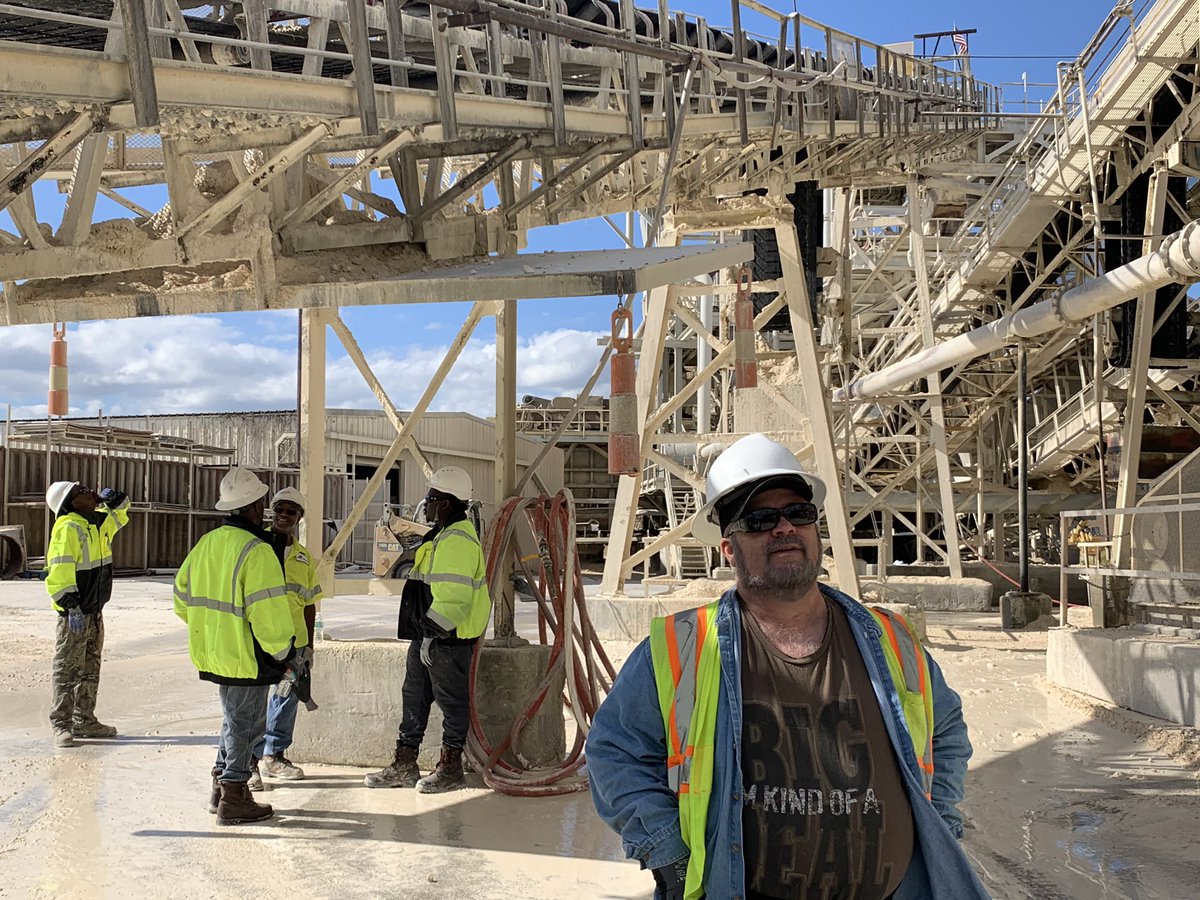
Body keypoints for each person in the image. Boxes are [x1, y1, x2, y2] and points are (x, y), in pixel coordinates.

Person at [586, 433, 990, 900]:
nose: (783, 528)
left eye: (798, 514)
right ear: (729, 549)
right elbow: (614, 752)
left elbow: (947, 731)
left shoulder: (889, 638)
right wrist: (670, 854)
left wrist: (938, 818)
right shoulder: (683, 646)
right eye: (759, 520)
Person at [174, 467, 303, 826]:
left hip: (215, 651)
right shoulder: (257, 550)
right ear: (257, 503)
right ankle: (234, 794)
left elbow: (181, 597)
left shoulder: (207, 544)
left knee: (233, 719)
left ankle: (220, 786)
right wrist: (285, 654)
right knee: (246, 725)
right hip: (247, 655)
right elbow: (269, 615)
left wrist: (213, 629)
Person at [364, 466, 491, 793]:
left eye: (431, 498)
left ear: (447, 503)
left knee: (451, 703)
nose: (426, 503)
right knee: (415, 698)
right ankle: (404, 764)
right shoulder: (443, 535)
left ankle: (450, 769)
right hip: (429, 634)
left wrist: (433, 634)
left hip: (447, 638)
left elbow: (455, 598)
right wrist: (425, 635)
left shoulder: (458, 540)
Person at [44, 481, 130, 748]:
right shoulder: (68, 528)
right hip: (75, 612)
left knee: (90, 668)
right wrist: (71, 606)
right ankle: (62, 725)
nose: (89, 492)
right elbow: (59, 571)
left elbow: (121, 514)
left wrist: (115, 498)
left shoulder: (96, 524)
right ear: (71, 502)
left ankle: (85, 720)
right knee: (68, 669)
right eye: (82, 492)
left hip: (94, 610)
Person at [255, 486, 323, 781]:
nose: (284, 515)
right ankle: (246, 763)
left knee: (285, 697)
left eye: (291, 511)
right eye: (279, 509)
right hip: (259, 638)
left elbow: (309, 605)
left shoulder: (304, 559)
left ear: (299, 517)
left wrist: (308, 646)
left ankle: (273, 755)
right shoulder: (256, 547)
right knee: (252, 701)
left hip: (293, 642)